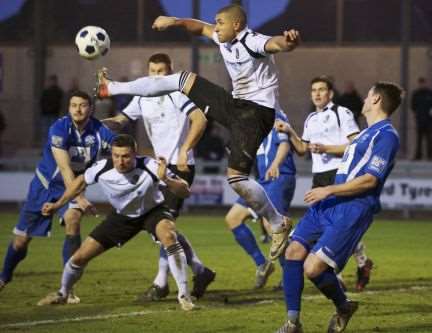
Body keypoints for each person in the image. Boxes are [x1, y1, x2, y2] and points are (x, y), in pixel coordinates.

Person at [95, 4, 300, 261]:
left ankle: (277, 223)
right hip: (235, 107)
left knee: (236, 179)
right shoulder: (223, 38)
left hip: (256, 114)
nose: (216, 26)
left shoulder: (252, 41)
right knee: (182, 80)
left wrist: (290, 41)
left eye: (221, 22)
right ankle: (111, 88)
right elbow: (200, 27)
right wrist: (174, 22)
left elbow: (277, 44)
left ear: (236, 24)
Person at [275, 82, 402, 333]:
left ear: (376, 100)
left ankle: (343, 306)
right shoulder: (365, 133)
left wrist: (329, 188)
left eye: (367, 95)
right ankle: (292, 324)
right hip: (329, 202)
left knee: (313, 268)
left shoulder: (386, 135)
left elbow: (370, 179)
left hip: (353, 208)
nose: (363, 100)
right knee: (292, 253)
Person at [102, 53, 215, 301]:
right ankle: (199, 270)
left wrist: (185, 150)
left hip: (179, 166)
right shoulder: (143, 97)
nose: (157, 76)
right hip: (157, 168)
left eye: (162, 71)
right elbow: (120, 121)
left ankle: (161, 283)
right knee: (162, 227)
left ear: (171, 72)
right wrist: (94, 124)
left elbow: (200, 119)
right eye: (153, 71)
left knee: (163, 227)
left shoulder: (177, 94)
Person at [37, 134, 196, 311]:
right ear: (111, 154)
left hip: (152, 211)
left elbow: (185, 191)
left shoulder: (151, 165)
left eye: (126, 156)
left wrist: (166, 179)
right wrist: (58, 204)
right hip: (122, 217)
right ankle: (63, 293)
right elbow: (79, 183)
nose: (120, 161)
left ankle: (184, 296)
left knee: (169, 235)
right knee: (80, 256)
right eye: (116, 156)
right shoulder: (101, 168)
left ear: (135, 154)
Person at [0, 91, 115, 304]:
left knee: (73, 219)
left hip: (72, 188)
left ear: (90, 108)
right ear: (68, 108)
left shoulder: (101, 131)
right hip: (44, 188)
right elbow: (64, 168)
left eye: (82, 105)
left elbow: (120, 149)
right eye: (73, 105)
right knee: (21, 241)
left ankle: (67, 288)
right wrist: (80, 197)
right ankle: (4, 277)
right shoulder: (59, 129)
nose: (78, 109)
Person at [276, 76, 374, 292]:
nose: (317, 94)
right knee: (327, 227)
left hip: (339, 177)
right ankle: (361, 262)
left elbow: (356, 145)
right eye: (314, 90)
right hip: (318, 178)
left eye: (321, 90)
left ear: (330, 93)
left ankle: (336, 274)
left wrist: (327, 149)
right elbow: (303, 150)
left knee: (333, 227)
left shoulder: (342, 113)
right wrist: (290, 131)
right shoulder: (311, 118)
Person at [225, 110, 296, 289]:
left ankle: (290, 275)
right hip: (262, 180)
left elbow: (284, 144)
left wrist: (275, 164)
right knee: (233, 219)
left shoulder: (275, 115)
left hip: (279, 176)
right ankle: (262, 263)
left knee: (273, 226)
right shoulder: (250, 120)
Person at [411, 77, 432, 161]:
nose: (422, 85)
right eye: (421, 83)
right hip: (419, 119)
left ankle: (430, 156)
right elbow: (413, 105)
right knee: (419, 138)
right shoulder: (416, 94)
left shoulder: (431, 93)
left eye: (424, 83)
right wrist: (416, 113)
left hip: (429, 120)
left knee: (429, 138)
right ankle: (418, 156)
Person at [40, 75, 64, 140]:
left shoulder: (59, 91)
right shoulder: (46, 91)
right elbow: (42, 102)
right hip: (46, 114)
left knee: (54, 131)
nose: (52, 82)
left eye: (53, 81)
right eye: (51, 81)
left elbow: (60, 102)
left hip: (54, 114)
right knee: (45, 131)